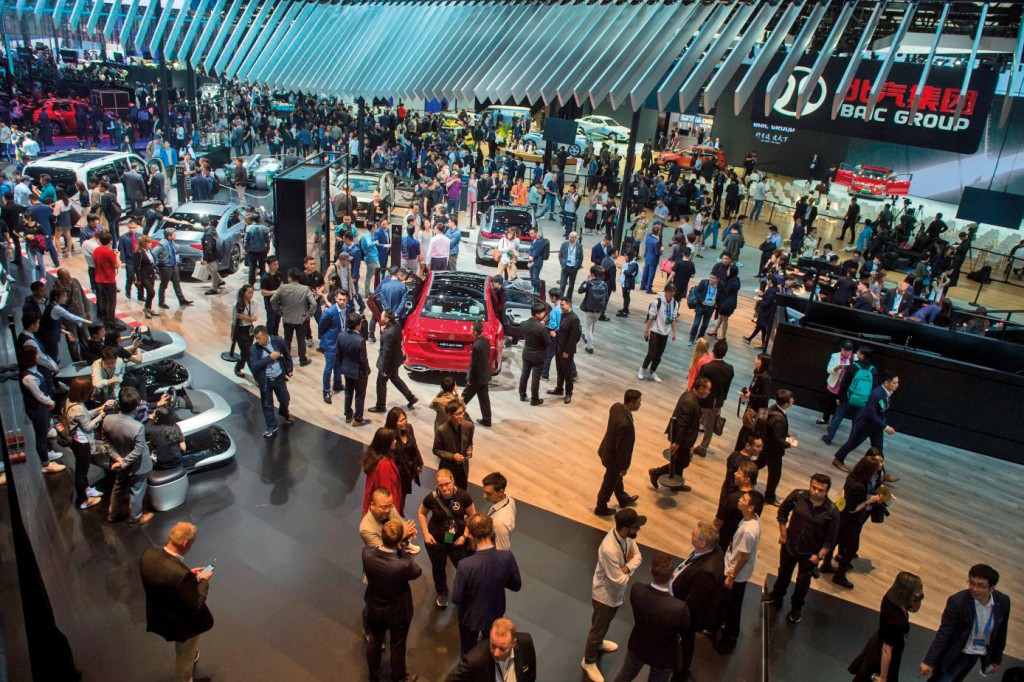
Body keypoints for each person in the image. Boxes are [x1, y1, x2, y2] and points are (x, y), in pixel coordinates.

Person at [140, 522, 214, 682]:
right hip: (182, 625)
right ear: (186, 543)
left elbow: (164, 578)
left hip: (160, 614)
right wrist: (203, 581)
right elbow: (196, 605)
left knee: (187, 651)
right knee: (184, 655)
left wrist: (188, 577)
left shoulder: (148, 555)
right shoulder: (181, 575)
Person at [761, 473, 840, 624]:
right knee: (783, 572)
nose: (816, 492)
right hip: (790, 545)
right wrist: (783, 533)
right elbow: (782, 512)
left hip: (810, 553)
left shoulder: (832, 511)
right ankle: (776, 595)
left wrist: (820, 555)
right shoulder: (798, 495)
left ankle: (796, 607)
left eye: (820, 490)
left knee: (803, 581)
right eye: (813, 487)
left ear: (827, 491)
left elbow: (831, 538)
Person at [582, 508, 645, 682]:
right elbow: (618, 579)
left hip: (615, 595)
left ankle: (599, 642)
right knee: (597, 629)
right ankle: (589, 661)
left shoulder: (625, 538)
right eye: (635, 527)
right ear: (625, 528)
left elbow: (638, 556)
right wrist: (627, 569)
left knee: (604, 624)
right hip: (605, 597)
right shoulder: (609, 549)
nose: (638, 530)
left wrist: (627, 567)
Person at [920, 564, 1011, 681]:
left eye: (980, 586)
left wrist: (996, 659)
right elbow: (944, 634)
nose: (974, 588)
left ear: (992, 587)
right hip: (956, 653)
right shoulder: (957, 602)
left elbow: (1001, 632)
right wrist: (929, 661)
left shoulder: (1003, 601)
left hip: (975, 654)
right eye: (971, 583)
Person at [613, 552, 690, 682]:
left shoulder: (637, 590)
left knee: (625, 674)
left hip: (638, 645)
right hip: (663, 655)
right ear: (672, 575)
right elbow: (684, 629)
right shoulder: (679, 608)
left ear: (650, 570)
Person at [451, 515, 523, 655]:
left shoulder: (465, 565)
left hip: (469, 617)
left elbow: (456, 598)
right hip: (495, 612)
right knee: (491, 649)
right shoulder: (507, 557)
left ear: (470, 535)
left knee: (468, 653)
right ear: (491, 531)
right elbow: (516, 585)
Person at [361, 518, 422, 682]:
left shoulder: (366, 554)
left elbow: (374, 548)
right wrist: (401, 548)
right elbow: (417, 571)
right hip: (398, 611)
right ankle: (398, 678)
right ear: (398, 541)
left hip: (375, 606)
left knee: (374, 640)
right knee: (397, 644)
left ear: (381, 534)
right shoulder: (402, 565)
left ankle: (374, 675)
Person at [848, 571, 924, 682]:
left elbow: (913, 609)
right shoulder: (898, 622)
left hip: (877, 642)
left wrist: (918, 598)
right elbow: (886, 650)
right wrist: (883, 677)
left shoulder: (890, 597)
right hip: (881, 657)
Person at [821, 454, 883, 589]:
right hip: (851, 521)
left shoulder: (851, 477)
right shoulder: (859, 487)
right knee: (852, 547)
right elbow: (853, 509)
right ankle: (839, 575)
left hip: (841, 517)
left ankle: (826, 565)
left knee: (836, 540)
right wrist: (869, 501)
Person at [417, 469, 476, 609]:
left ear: (453, 480)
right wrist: (426, 534)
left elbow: (473, 516)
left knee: (463, 567)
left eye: (447, 484)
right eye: (440, 485)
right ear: (436, 484)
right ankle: (442, 593)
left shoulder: (463, 496)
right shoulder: (431, 498)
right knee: (438, 568)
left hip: (458, 541)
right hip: (436, 541)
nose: (444, 488)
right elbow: (421, 513)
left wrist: (465, 536)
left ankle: (465, 592)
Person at [105, 387, 155, 525]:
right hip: (137, 466)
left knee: (118, 487)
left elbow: (106, 442)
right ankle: (136, 517)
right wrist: (124, 462)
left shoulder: (107, 419)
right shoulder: (137, 426)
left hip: (118, 462)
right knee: (137, 490)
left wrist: (118, 459)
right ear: (136, 407)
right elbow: (139, 450)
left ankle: (112, 514)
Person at [719, 490, 764, 643]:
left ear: (751, 507)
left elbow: (743, 557)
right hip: (736, 568)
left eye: (744, 499)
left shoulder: (748, 531)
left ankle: (731, 631)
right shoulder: (752, 519)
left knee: (733, 603)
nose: (740, 499)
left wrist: (731, 576)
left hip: (736, 572)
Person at [649, 377, 708, 493]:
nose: (708, 393)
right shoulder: (690, 402)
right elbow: (682, 424)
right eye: (708, 390)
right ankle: (656, 472)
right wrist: (677, 443)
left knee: (680, 460)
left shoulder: (689, 395)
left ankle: (676, 484)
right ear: (701, 388)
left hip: (683, 438)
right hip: (682, 439)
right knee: (683, 462)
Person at [833, 371, 899, 473]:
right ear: (886, 383)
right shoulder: (876, 394)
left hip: (876, 426)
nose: (897, 385)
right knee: (852, 443)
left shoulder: (887, 393)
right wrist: (885, 427)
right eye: (894, 383)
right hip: (865, 426)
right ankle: (838, 459)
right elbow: (870, 413)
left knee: (878, 449)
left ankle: (880, 472)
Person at [64, 377, 114, 509]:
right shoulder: (78, 409)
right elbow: (88, 427)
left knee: (82, 471)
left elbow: (85, 416)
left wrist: (100, 408)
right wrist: (101, 416)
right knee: (81, 473)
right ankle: (83, 500)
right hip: (82, 444)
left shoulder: (71, 401)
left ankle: (87, 490)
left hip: (77, 441)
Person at [595, 389, 642, 516]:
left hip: (607, 449)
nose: (640, 404)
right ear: (631, 404)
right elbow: (622, 449)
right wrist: (623, 467)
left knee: (615, 479)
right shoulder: (625, 425)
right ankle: (600, 507)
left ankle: (622, 499)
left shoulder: (616, 407)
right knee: (609, 483)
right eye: (638, 402)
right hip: (614, 459)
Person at [19, 346, 66, 475]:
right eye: (36, 355)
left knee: (44, 432)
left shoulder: (33, 371)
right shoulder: (28, 377)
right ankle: (46, 463)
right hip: (37, 409)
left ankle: (48, 453)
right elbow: (38, 395)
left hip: (41, 407)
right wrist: (50, 402)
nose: (39, 356)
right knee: (41, 437)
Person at [445, 618, 537, 682]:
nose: (496, 653)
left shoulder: (525, 642)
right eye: (493, 646)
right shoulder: (474, 661)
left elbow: (530, 674)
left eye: (502, 648)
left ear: (513, 643)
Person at [823, 346, 877, 446]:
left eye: (858, 352)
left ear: (862, 355)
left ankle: (828, 438)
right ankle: (851, 443)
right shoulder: (873, 370)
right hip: (863, 399)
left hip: (848, 396)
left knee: (838, 417)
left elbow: (844, 384)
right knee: (856, 422)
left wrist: (839, 397)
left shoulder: (853, 367)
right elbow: (873, 387)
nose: (857, 353)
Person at [369, 309, 418, 413]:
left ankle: (380, 406)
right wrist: (385, 330)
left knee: (381, 384)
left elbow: (387, 353)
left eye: (382, 317)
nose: (380, 318)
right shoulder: (397, 325)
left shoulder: (388, 334)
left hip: (388, 363)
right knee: (395, 378)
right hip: (396, 359)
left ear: (387, 319)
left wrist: (384, 369)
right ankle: (411, 398)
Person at [249, 325, 295, 439]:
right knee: (267, 405)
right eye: (256, 338)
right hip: (266, 381)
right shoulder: (254, 349)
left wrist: (289, 369)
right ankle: (271, 426)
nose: (257, 341)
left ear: (266, 336)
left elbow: (287, 355)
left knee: (285, 399)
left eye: (259, 338)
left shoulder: (278, 341)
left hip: (279, 378)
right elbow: (254, 365)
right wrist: (270, 358)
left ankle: (284, 413)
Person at [693, 339, 734, 457]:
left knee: (695, 422)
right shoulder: (730, 368)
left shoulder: (706, 367)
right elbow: (727, 387)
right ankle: (703, 447)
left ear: (713, 351)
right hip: (718, 402)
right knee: (709, 426)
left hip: (703, 401)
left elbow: (698, 384)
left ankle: (689, 444)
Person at [758, 390, 798, 505]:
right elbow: (778, 439)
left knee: (760, 463)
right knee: (775, 474)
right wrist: (789, 444)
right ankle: (769, 497)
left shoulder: (774, 407)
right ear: (785, 404)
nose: (792, 402)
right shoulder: (778, 419)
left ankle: (747, 472)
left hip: (767, 446)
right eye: (791, 401)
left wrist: (787, 436)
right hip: (773, 450)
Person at [271, 267, 317, 368]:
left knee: (287, 339)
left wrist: (278, 311)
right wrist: (309, 314)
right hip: (301, 319)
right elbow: (313, 303)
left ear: (289, 278)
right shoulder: (305, 289)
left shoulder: (283, 288)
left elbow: (273, 300)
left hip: (287, 318)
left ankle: (287, 360)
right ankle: (303, 359)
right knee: (301, 339)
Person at [337, 311, 372, 427]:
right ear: (358, 325)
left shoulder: (340, 335)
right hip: (358, 372)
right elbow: (363, 359)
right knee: (359, 395)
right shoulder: (360, 340)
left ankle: (348, 415)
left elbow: (339, 354)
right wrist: (367, 371)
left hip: (346, 369)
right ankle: (358, 419)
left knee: (348, 392)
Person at [733, 353, 772, 451]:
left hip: (756, 412)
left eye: (758, 359)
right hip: (752, 408)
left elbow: (765, 397)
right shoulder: (757, 373)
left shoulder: (765, 378)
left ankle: (740, 453)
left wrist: (751, 396)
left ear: (763, 363)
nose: (756, 360)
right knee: (745, 433)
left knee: (747, 434)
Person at [433, 402, 475, 490]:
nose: (461, 416)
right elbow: (436, 450)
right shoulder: (442, 430)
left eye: (462, 412)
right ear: (449, 415)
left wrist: (469, 450)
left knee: (462, 491)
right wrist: (453, 456)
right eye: (458, 414)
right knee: (446, 491)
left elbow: (470, 443)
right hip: (448, 467)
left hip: (463, 467)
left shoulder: (469, 426)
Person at [547, 297, 581, 404]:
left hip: (566, 351)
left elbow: (573, 338)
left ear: (569, 305)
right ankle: (559, 388)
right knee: (559, 370)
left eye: (562, 305)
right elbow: (562, 330)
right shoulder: (562, 315)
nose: (560, 307)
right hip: (559, 347)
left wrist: (567, 351)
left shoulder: (574, 319)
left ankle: (568, 393)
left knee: (568, 373)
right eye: (560, 305)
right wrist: (555, 334)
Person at [362, 427, 403, 515]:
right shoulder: (385, 464)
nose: (395, 441)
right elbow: (385, 490)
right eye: (393, 440)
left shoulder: (373, 457)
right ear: (386, 443)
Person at [460, 320, 492, 427]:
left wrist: (470, 379)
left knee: (464, 397)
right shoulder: (486, 341)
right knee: (484, 399)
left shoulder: (476, 346)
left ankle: (453, 416)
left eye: (471, 330)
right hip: (485, 375)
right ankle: (487, 419)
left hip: (477, 378)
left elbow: (474, 366)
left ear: (475, 332)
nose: (470, 331)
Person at [153, 227, 194, 309]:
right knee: (164, 285)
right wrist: (158, 262)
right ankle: (161, 302)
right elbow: (154, 252)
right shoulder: (163, 243)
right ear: (169, 236)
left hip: (173, 266)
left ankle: (181, 300)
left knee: (177, 283)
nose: (176, 236)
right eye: (174, 234)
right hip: (166, 267)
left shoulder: (172, 242)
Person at [518, 303, 548, 405]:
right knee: (535, 378)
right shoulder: (542, 328)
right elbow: (548, 343)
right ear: (537, 314)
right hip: (538, 355)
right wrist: (550, 334)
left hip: (526, 353)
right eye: (543, 312)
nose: (544, 314)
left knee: (524, 374)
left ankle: (522, 394)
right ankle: (534, 399)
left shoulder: (523, 324)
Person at [818, 340, 854, 426]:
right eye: (845, 350)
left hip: (845, 386)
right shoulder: (834, 356)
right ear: (841, 348)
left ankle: (833, 424)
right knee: (828, 403)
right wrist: (836, 368)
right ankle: (825, 419)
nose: (847, 352)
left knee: (839, 406)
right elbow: (828, 370)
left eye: (849, 350)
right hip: (834, 384)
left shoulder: (854, 357)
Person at [482, 472, 516, 551]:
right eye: (484, 492)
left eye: (489, 493)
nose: (484, 496)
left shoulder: (499, 524)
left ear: (501, 492)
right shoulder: (510, 500)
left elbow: (502, 552)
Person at [579, 265, 609, 354]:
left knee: (588, 328)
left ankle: (590, 347)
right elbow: (606, 298)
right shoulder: (604, 284)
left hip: (588, 309)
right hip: (599, 310)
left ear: (592, 273)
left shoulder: (589, 283)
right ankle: (589, 340)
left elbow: (580, 290)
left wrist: (585, 280)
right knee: (592, 326)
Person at [688, 272, 719, 345]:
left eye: (713, 278)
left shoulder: (720, 287)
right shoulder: (704, 282)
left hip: (710, 308)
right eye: (710, 277)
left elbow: (721, 296)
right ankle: (691, 338)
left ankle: (699, 339)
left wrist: (717, 304)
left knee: (705, 325)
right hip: (701, 306)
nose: (711, 279)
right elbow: (697, 291)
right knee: (696, 323)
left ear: (718, 279)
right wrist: (701, 301)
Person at [558, 231, 584, 298]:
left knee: (571, 285)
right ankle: (560, 298)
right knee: (562, 284)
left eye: (573, 237)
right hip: (565, 267)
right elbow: (560, 255)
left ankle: (568, 298)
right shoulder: (564, 244)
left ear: (576, 238)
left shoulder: (579, 246)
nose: (571, 239)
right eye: (570, 237)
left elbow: (581, 257)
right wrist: (562, 263)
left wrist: (578, 266)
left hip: (573, 268)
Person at [199, 222, 222, 295]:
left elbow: (208, 248)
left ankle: (214, 289)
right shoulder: (212, 230)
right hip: (215, 253)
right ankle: (220, 280)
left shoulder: (207, 235)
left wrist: (205, 258)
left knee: (213, 272)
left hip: (211, 256)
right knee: (212, 270)